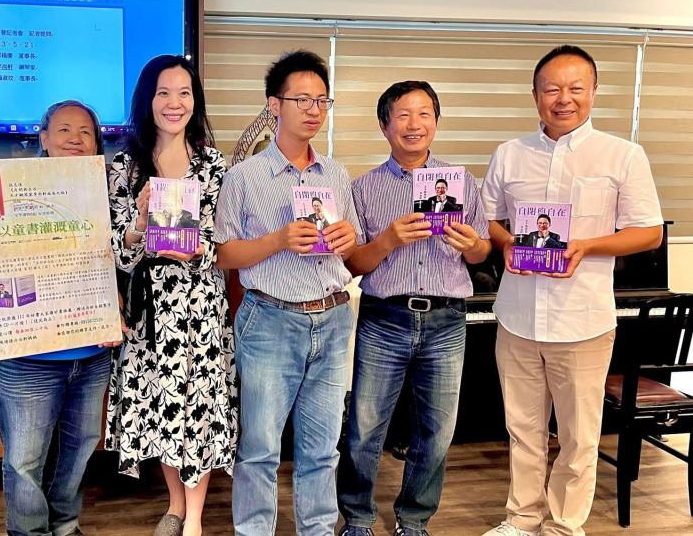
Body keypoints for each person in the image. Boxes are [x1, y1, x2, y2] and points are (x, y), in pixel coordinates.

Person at [478, 45, 663, 536]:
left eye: (575, 88)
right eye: (552, 89)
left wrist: (587, 246)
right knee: (522, 430)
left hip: (582, 319)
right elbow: (487, 219)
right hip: (517, 315)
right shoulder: (509, 154)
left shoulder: (623, 155)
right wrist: (507, 243)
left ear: (594, 91)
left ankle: (563, 526)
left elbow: (649, 232)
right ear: (535, 95)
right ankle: (521, 519)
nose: (563, 98)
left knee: (579, 438)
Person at [214, 50, 361, 536]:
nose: (313, 110)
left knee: (322, 449)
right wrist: (278, 239)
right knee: (259, 448)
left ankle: (317, 529)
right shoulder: (243, 176)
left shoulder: (336, 174)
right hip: (270, 320)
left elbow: (350, 245)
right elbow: (223, 254)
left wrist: (347, 238)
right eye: (302, 99)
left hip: (333, 317)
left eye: (322, 100)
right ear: (274, 105)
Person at [337, 80, 491, 536]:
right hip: (384, 317)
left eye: (424, 114)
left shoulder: (461, 182)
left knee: (437, 431)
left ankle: (415, 517)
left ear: (436, 122)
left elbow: (482, 252)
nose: (414, 124)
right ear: (385, 125)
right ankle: (357, 517)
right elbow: (353, 263)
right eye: (402, 115)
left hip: (447, 319)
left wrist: (472, 244)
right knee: (365, 428)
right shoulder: (363, 188)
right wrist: (388, 239)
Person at [0, 100, 124, 536]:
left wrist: (116, 294)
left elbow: (123, 260)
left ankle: (65, 524)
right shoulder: (8, 189)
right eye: (64, 130)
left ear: (97, 142)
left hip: (91, 351)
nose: (76, 139)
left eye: (86, 132)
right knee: (24, 460)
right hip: (26, 355)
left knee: (80, 448)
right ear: (43, 138)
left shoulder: (109, 195)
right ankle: (29, 532)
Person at [105, 54, 237, 536]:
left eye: (184, 93)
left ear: (195, 101)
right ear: (148, 100)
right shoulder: (124, 167)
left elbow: (225, 244)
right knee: (162, 406)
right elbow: (119, 255)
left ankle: (194, 517)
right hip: (148, 310)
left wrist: (198, 252)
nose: (174, 103)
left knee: (198, 407)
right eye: (163, 92)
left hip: (200, 307)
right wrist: (141, 223)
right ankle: (175, 505)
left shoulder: (214, 166)